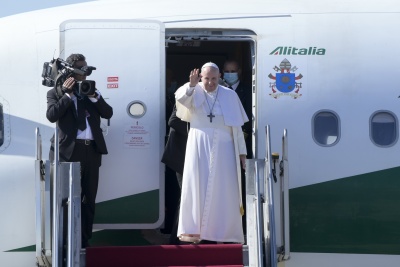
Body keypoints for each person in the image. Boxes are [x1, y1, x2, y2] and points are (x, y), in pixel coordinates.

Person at [175, 62, 248, 244]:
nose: (210, 83)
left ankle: (222, 232)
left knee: (223, 188)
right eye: (206, 78)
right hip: (198, 145)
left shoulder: (230, 95)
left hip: (225, 148)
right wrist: (191, 85)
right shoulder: (192, 89)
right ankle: (194, 231)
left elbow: (237, 127)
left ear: (219, 77)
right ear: (201, 77)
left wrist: (242, 153)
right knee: (197, 184)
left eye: (214, 79)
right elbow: (182, 103)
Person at [46, 53, 113, 248]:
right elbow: (52, 115)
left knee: (88, 197)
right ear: (72, 71)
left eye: (86, 69)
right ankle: (66, 241)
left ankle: (83, 240)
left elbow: (108, 113)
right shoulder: (55, 93)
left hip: (91, 151)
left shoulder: (90, 91)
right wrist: (67, 95)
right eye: (82, 69)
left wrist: (94, 96)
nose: (85, 73)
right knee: (66, 198)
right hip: (69, 152)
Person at [223, 59, 253, 233]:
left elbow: (249, 120)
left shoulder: (248, 92)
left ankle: (241, 227)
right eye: (227, 70)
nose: (230, 74)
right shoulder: (217, 91)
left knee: (240, 187)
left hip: (242, 145)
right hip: (222, 146)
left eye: (233, 70)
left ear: (240, 71)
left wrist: (240, 138)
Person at [161, 104, 189, 244]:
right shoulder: (186, 94)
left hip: (192, 156)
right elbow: (173, 120)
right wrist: (198, 132)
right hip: (180, 156)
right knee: (185, 196)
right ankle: (177, 239)